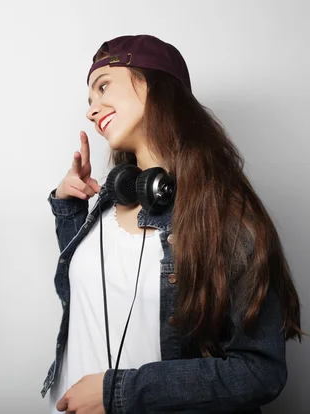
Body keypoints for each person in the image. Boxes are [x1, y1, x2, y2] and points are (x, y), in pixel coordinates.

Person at [42, 35, 303, 413]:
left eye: (103, 88)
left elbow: (260, 371)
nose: (92, 110)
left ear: (155, 85)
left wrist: (120, 392)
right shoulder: (109, 200)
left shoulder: (225, 219)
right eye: (89, 100)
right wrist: (69, 210)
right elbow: (90, 294)